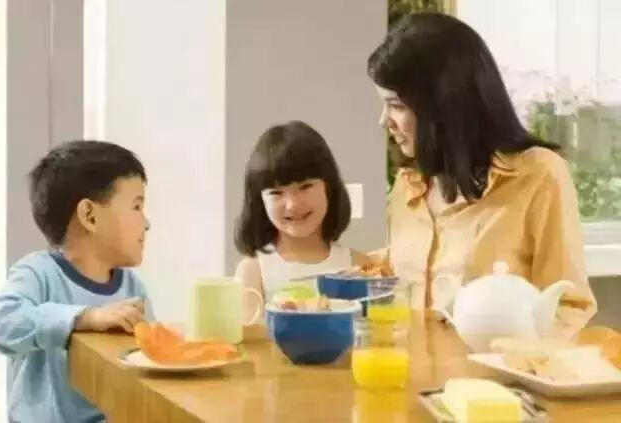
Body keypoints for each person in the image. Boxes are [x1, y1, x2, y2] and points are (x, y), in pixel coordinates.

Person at [367, 13, 596, 337]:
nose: (383, 121)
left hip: (496, 370)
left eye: (396, 105)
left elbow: (568, 306)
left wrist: (507, 357)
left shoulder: (539, 175)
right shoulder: (409, 185)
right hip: (409, 368)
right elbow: (402, 279)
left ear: (445, 103)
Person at [0, 140, 155, 422]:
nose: (146, 223)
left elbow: (148, 364)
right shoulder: (39, 272)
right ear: (90, 216)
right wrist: (83, 318)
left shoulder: (133, 287)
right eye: (137, 206)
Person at [234, 121, 370, 316]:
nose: (292, 205)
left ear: (328, 188)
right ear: (260, 202)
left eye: (305, 187)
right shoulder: (253, 271)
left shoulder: (359, 267)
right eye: (276, 193)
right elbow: (247, 334)